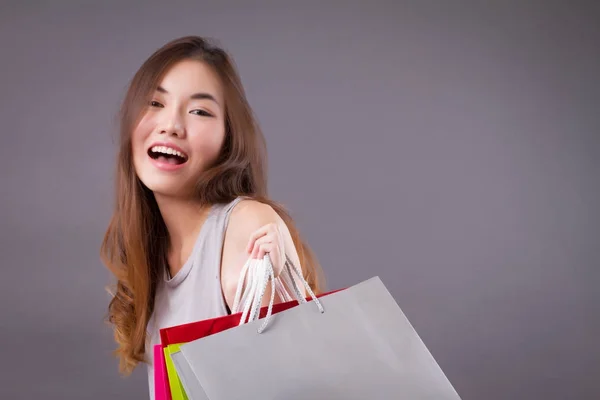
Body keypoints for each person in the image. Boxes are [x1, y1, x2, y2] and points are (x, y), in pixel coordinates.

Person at [100, 35, 324, 398]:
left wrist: (275, 285)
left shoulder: (247, 227)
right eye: (154, 103)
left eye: (200, 111)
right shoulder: (152, 250)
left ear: (228, 140)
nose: (171, 125)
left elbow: (290, 385)